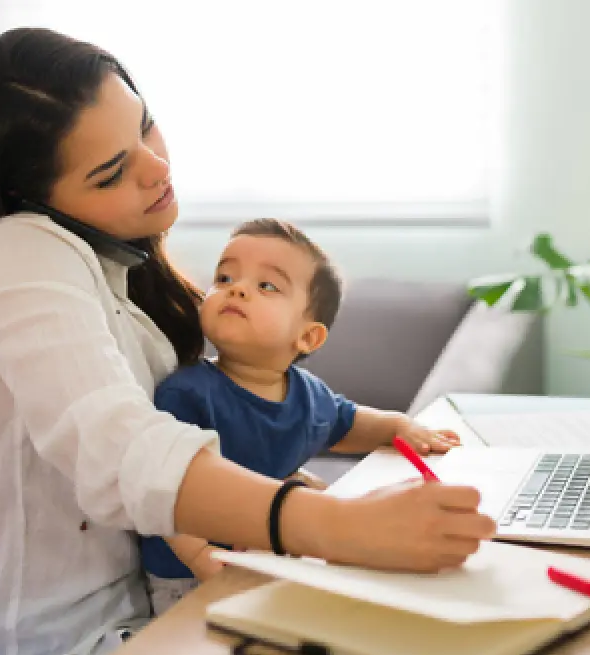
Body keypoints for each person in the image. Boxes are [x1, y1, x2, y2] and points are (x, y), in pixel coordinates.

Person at [0, 27, 496, 655]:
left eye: (146, 127)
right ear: (33, 199)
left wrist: (279, 488)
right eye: (110, 173)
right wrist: (330, 525)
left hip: (167, 622)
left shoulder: (118, 267)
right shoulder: (15, 254)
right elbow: (119, 449)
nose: (154, 168)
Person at [140, 218, 461, 613]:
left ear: (308, 337)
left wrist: (400, 427)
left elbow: (349, 423)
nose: (236, 289)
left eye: (267, 286)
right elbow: (167, 488)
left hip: (273, 551)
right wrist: (199, 556)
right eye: (224, 277)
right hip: (187, 572)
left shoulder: (308, 395)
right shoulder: (187, 393)